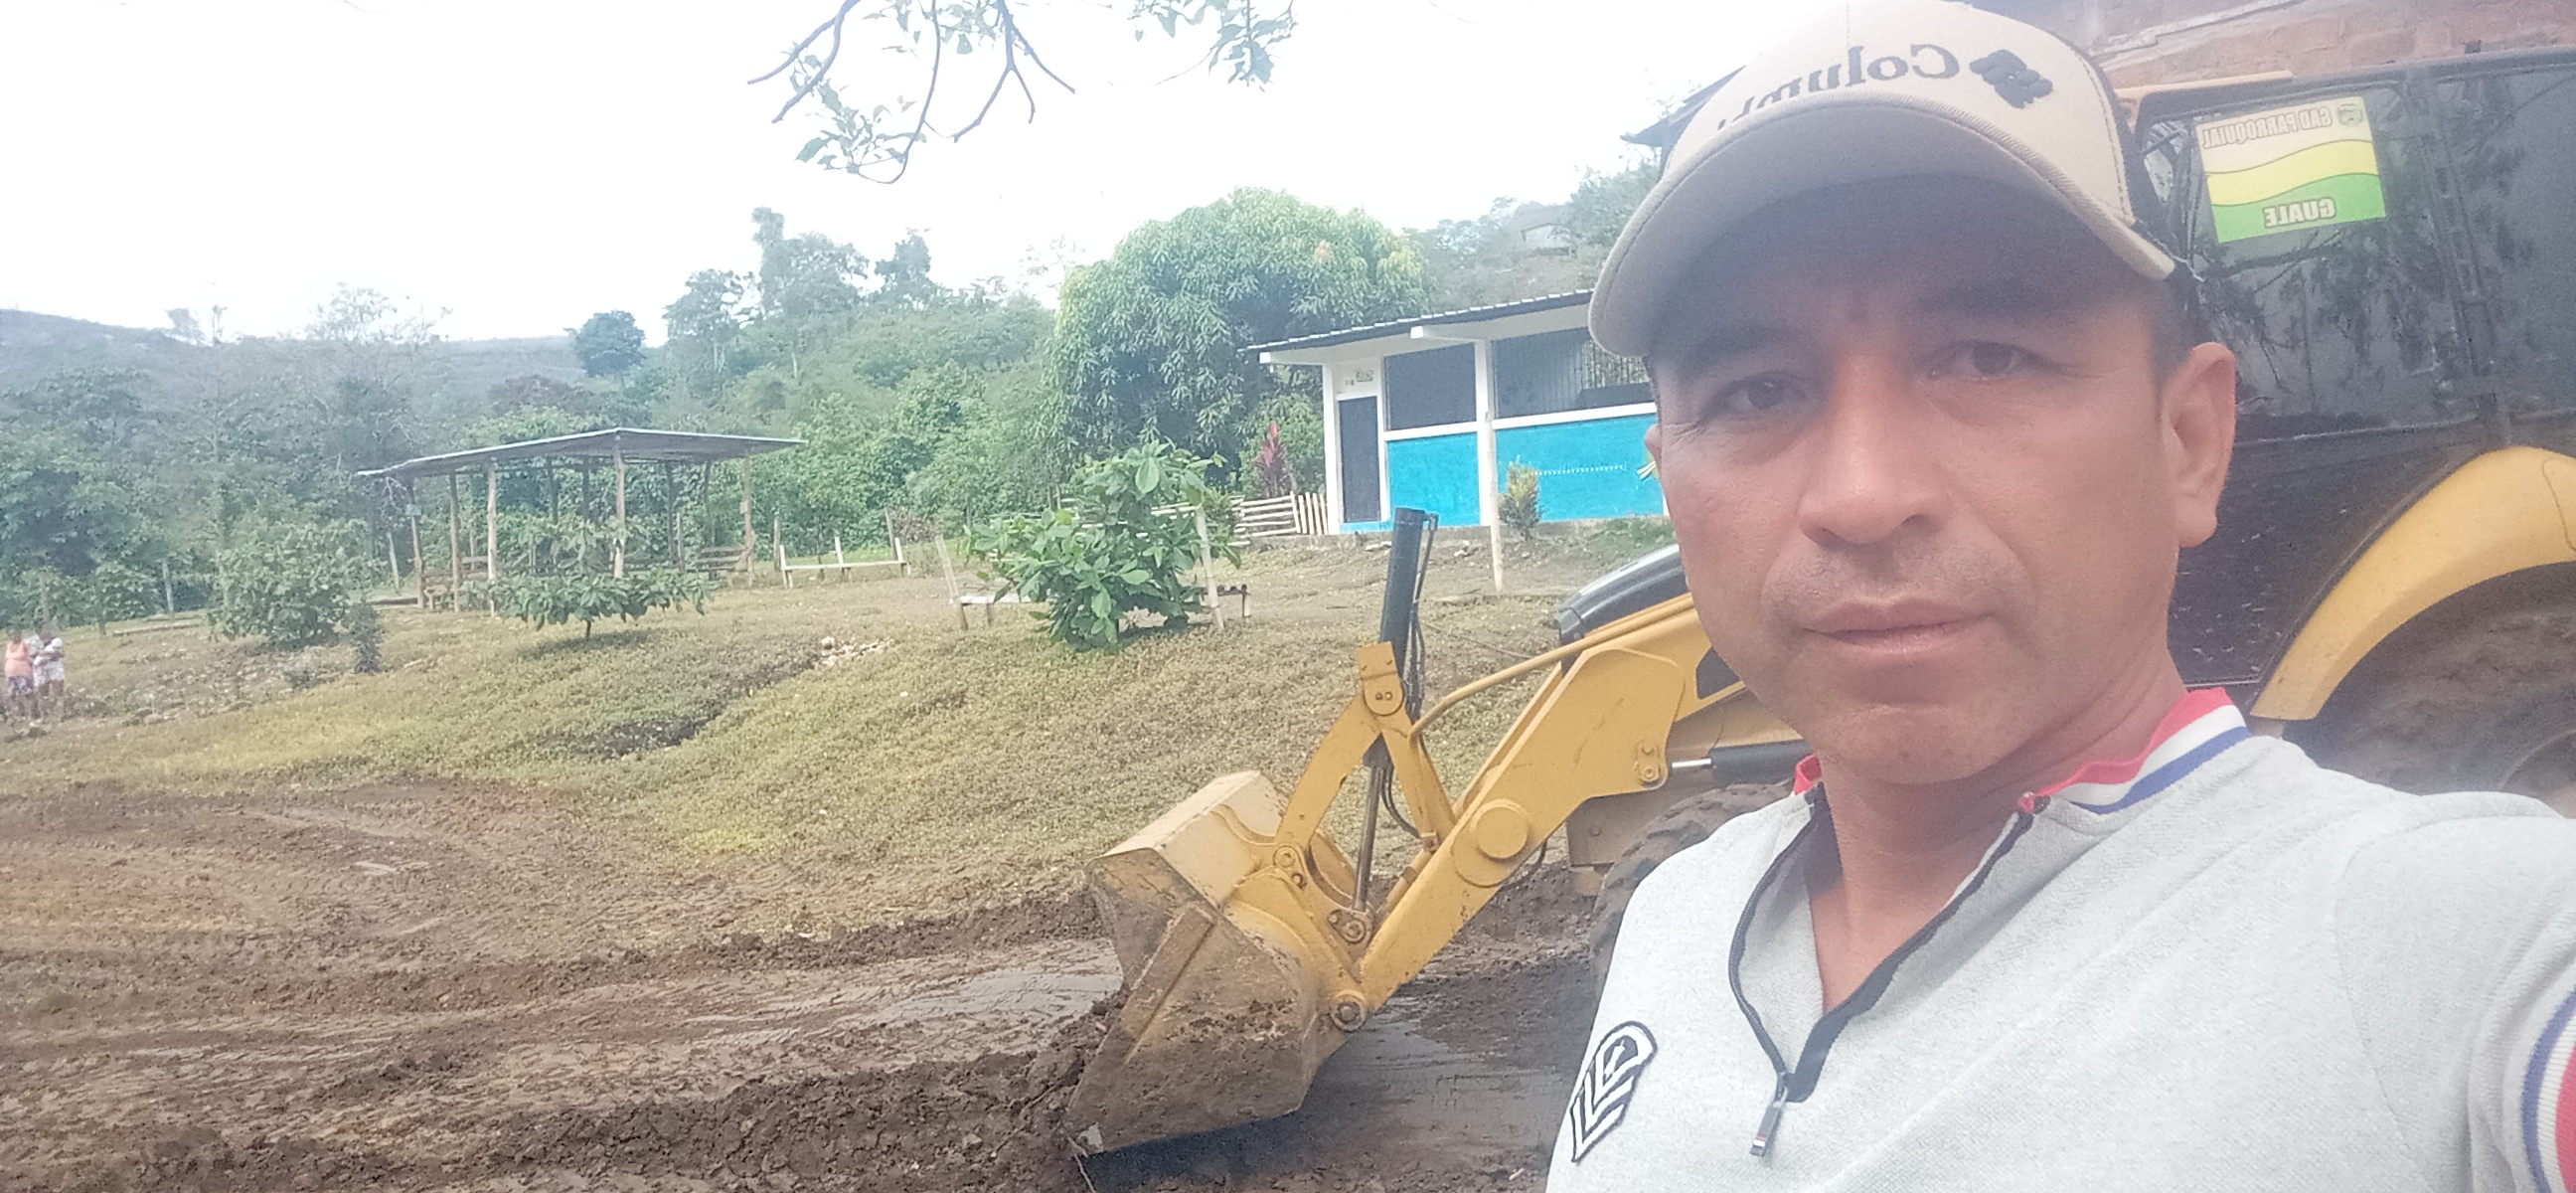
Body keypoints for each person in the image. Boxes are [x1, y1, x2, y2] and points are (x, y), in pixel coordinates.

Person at [1553, 2, 2576, 1189]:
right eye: (1753, 391)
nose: (1862, 495)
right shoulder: (1673, 917)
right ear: (1667, 472)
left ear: (2189, 441)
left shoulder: (2457, 946)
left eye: (1988, 356)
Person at [33, 627, 64, 718]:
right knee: (42, 694)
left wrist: (45, 655)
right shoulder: (37, 643)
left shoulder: (54, 645)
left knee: (57, 692)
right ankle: (45, 715)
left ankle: (57, 714)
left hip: (52, 671)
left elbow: (59, 654)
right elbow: (35, 658)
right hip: (41, 672)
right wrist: (46, 655)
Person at [4, 629, 33, 719]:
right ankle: (18, 714)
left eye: (15, 634)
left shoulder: (24, 644)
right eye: (11, 635)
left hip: (23, 672)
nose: (13, 636)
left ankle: (30, 714)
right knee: (12, 694)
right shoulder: (9, 645)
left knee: (26, 693)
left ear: (19, 634)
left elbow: (29, 657)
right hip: (11, 674)